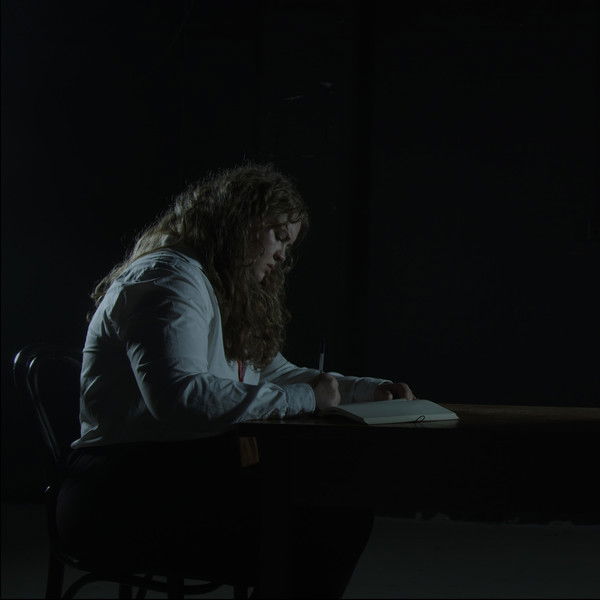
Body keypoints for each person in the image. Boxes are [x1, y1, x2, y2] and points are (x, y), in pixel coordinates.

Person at [56, 162, 415, 598]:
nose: (282, 256)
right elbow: (181, 399)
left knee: (331, 510)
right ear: (239, 223)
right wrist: (306, 398)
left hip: (170, 478)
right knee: (326, 523)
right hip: (121, 494)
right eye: (278, 236)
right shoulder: (169, 280)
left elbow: (273, 371)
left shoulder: (216, 286)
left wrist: (365, 391)